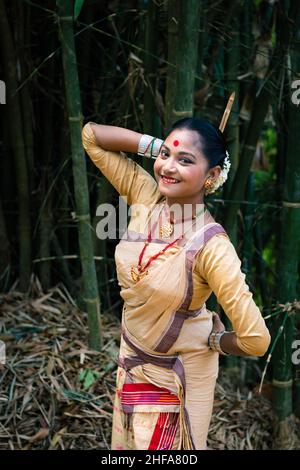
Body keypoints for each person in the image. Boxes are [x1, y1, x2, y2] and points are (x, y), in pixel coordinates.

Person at [81, 116, 271, 450]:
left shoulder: (212, 247)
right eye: (165, 155)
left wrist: (217, 341)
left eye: (185, 161)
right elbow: (91, 136)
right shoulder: (147, 196)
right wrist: (164, 149)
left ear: (212, 175)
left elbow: (256, 340)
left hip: (177, 377)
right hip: (132, 360)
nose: (168, 168)